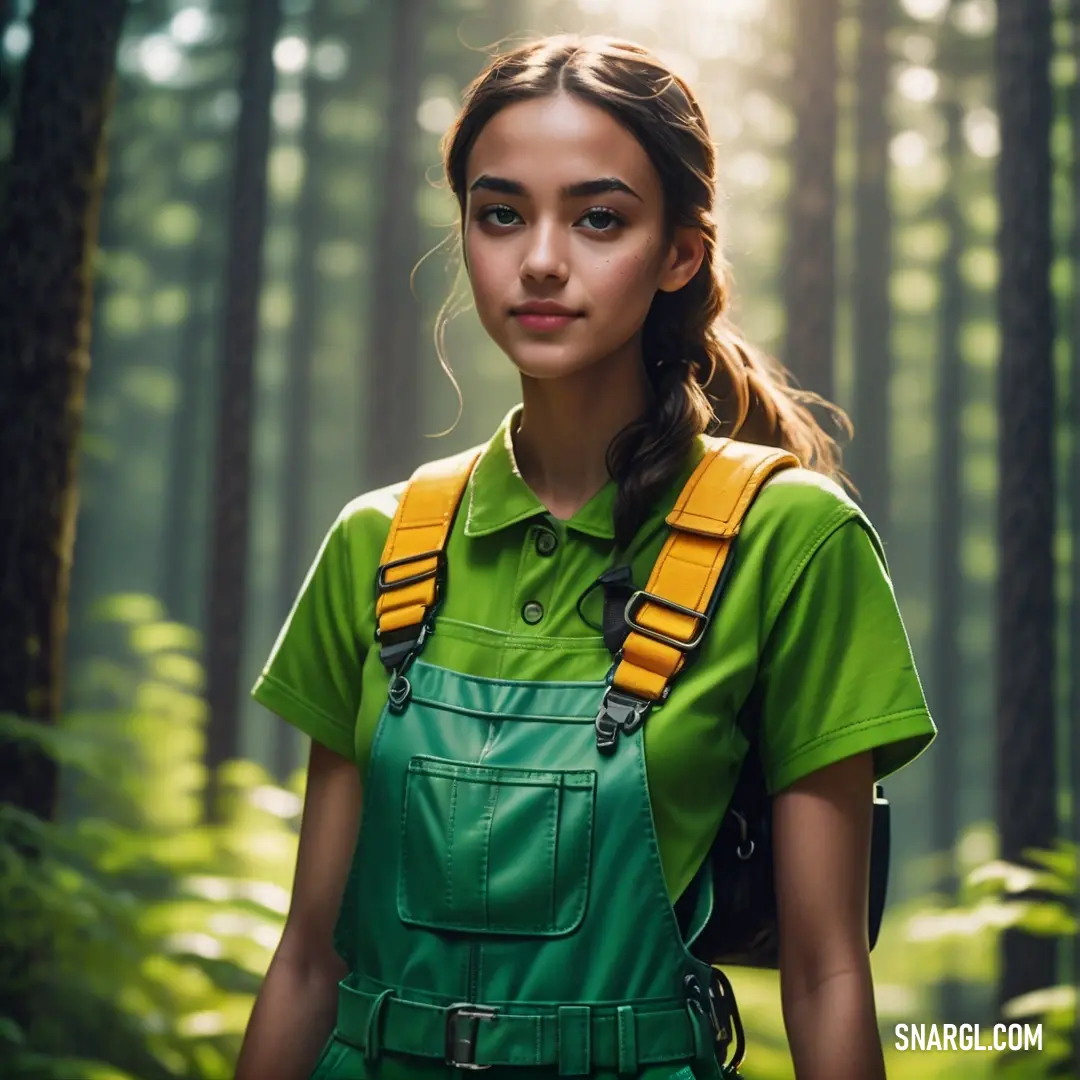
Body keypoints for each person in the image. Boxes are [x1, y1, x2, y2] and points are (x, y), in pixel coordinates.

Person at [234, 33, 936, 1080]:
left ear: (681, 254)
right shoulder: (379, 542)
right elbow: (305, 961)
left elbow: (828, 973)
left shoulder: (791, 540)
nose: (542, 259)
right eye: (501, 213)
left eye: (598, 217)